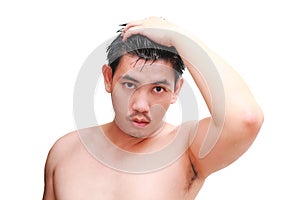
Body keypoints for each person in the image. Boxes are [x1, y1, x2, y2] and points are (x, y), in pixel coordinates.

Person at [43, 17, 264, 200]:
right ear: (108, 78)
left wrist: (179, 38)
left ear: (176, 90)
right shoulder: (64, 151)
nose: (140, 105)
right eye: (129, 85)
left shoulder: (186, 150)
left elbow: (246, 118)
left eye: (158, 89)